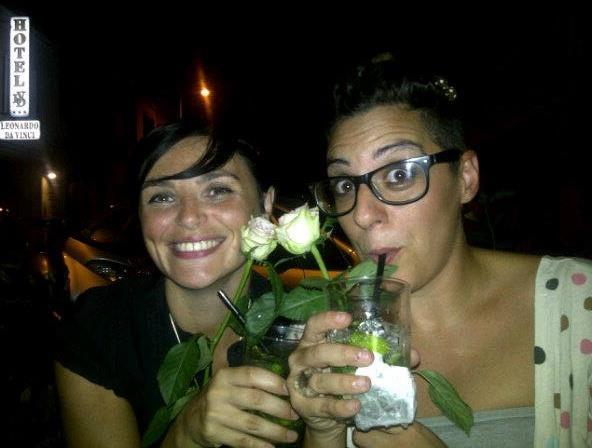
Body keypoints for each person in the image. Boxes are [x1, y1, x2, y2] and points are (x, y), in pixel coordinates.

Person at [287, 54, 592, 447]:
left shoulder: (579, 305)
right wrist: (323, 431)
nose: (362, 214)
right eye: (345, 185)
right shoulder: (334, 336)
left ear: (465, 178)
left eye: (399, 174)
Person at [54, 121, 302, 447]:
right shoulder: (100, 329)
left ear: (266, 204)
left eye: (217, 190)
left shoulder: (305, 324)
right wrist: (185, 435)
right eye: (162, 197)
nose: (188, 217)